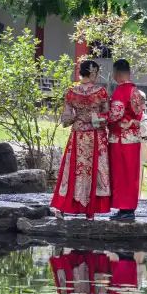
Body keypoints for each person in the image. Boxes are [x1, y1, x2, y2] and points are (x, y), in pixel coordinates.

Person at [50, 59, 111, 219]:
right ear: (92, 72)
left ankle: (62, 207)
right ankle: (90, 211)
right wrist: (94, 118)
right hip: (95, 136)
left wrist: (79, 118)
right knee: (95, 169)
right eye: (97, 73)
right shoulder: (101, 92)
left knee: (72, 170)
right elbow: (107, 116)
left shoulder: (71, 92)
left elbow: (65, 119)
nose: (97, 76)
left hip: (78, 135)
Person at [107, 59, 146, 221]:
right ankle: (128, 208)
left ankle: (125, 209)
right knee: (131, 174)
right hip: (133, 139)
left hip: (120, 140)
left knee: (121, 174)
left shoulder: (120, 91)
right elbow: (139, 113)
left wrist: (101, 117)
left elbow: (115, 114)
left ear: (116, 73)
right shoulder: (136, 91)